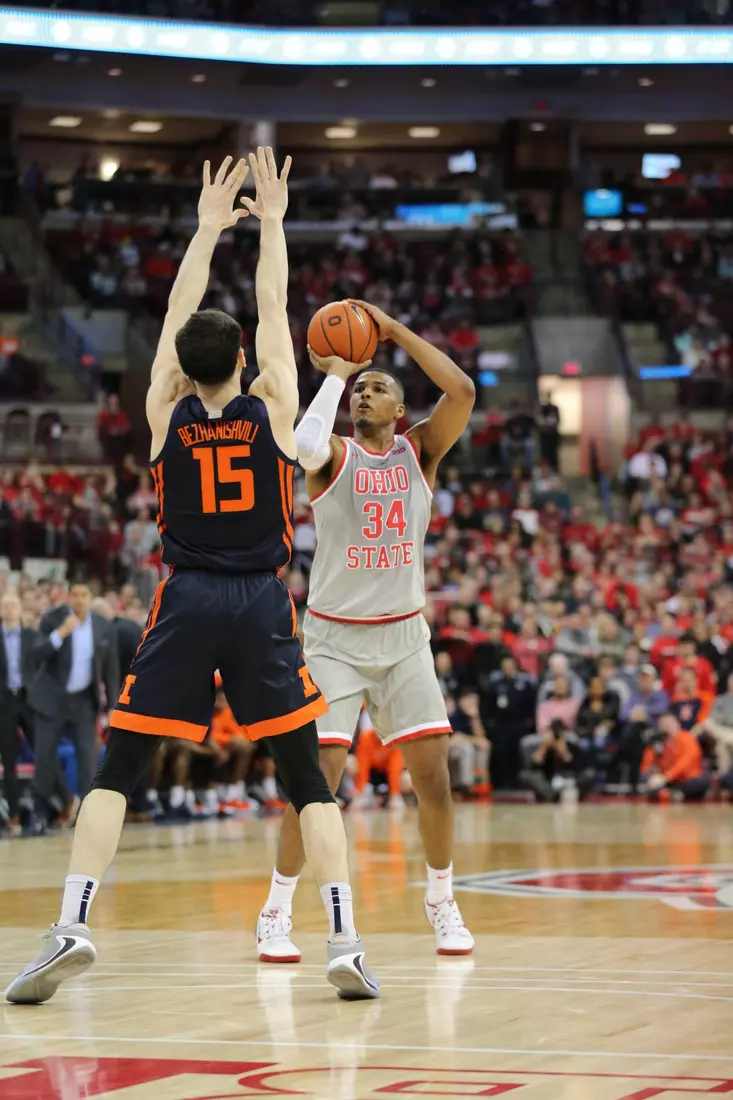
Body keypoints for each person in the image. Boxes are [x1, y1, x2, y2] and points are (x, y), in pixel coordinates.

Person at [7, 151, 379, 1005]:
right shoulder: (275, 402)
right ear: (244, 359)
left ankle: (71, 924)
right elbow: (276, 308)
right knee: (304, 780)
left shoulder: (164, 412)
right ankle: (343, 940)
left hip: (183, 596)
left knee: (118, 768)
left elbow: (183, 313)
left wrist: (208, 227)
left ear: (178, 367)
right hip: (259, 602)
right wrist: (272, 222)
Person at [256, 296, 476, 962]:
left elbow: (460, 389)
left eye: (376, 387)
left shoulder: (421, 452)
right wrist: (337, 370)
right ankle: (275, 909)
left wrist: (391, 328)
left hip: (404, 637)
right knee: (313, 779)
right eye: (359, 389)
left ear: (400, 410)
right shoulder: (330, 458)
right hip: (333, 641)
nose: (364, 394)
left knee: (433, 776)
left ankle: (440, 897)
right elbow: (303, 444)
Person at [28, 582, 120, 831]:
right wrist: (60, 634)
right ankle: (39, 814)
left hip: (83, 700)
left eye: (84, 595)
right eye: (75, 594)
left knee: (87, 759)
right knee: (45, 758)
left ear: (91, 598)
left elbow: (110, 669)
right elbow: (35, 654)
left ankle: (89, 817)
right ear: (68, 597)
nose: (79, 599)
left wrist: (111, 705)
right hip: (50, 699)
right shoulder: (52, 618)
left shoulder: (102, 625)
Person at [0, 590, 39, 833]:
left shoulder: (31, 636)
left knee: (44, 753)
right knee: (10, 758)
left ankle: (60, 804)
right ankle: (13, 814)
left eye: (14, 604)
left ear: (20, 609)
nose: (11, 608)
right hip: (5, 702)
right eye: (6, 605)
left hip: (29, 700)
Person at [640, 712, 709, 802]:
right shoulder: (657, 742)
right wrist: (652, 777)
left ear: (678, 724)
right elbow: (646, 766)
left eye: (670, 723)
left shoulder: (688, 738)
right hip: (665, 780)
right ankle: (671, 794)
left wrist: (666, 777)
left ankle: (670, 794)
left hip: (685, 778)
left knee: (701, 782)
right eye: (663, 724)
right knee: (645, 778)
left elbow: (685, 762)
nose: (667, 726)